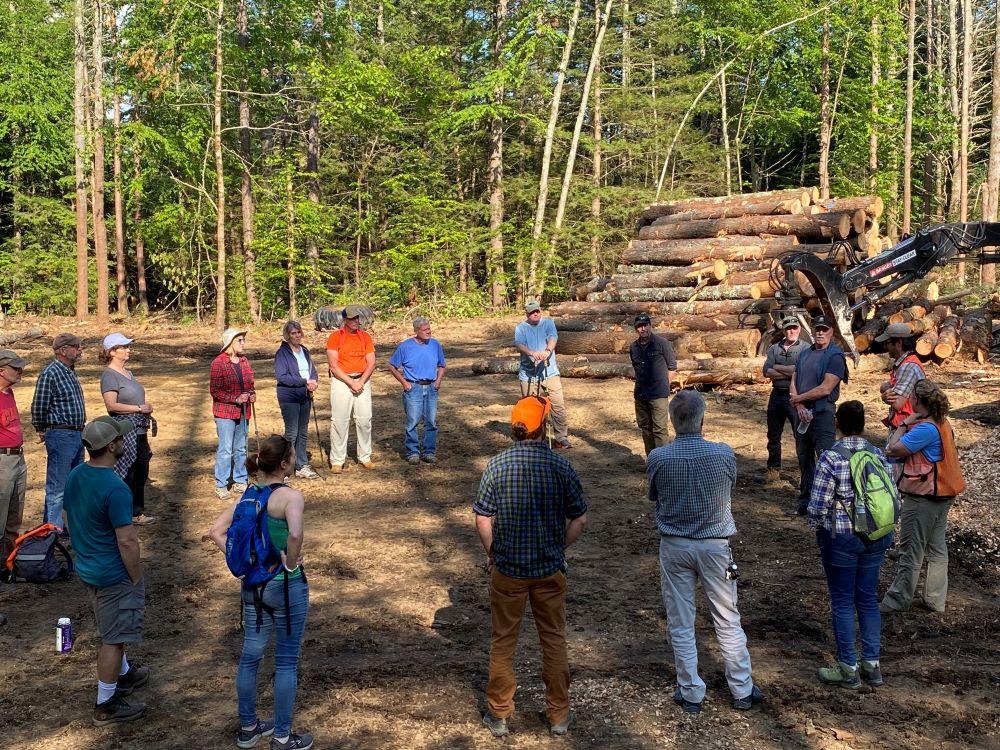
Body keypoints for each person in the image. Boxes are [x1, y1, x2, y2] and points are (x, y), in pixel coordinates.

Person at [473, 395, 588, 737]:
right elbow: (579, 518)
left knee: (503, 640)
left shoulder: (496, 465)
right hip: (549, 570)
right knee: (553, 639)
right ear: (543, 427)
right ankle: (558, 715)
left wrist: (492, 552)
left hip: (508, 571)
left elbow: (482, 516)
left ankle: (498, 714)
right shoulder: (561, 466)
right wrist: (559, 546)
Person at [647, 389, 762, 714]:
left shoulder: (658, 457)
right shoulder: (724, 454)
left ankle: (691, 692)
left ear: (671, 420)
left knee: (680, 621)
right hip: (715, 547)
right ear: (702, 420)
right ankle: (741, 688)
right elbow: (731, 485)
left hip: (675, 545)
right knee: (727, 617)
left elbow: (653, 496)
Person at [208, 435, 312, 750]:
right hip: (285, 586)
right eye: (292, 456)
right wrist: (290, 563)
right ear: (284, 463)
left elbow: (215, 531)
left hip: (252, 587)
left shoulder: (248, 495)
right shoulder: (291, 497)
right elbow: (294, 534)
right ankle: (281, 736)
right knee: (286, 662)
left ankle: (249, 727)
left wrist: (242, 566)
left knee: (250, 656)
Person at [64, 416, 150, 726]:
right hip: (113, 574)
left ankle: (124, 675)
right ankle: (106, 704)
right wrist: (136, 576)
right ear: (112, 446)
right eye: (121, 439)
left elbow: (66, 515)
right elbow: (127, 540)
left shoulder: (76, 475)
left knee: (112, 628)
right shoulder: (116, 488)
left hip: (88, 569)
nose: (126, 442)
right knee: (113, 639)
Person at [807, 401, 895, 689]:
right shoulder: (877, 453)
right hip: (876, 535)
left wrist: (816, 528)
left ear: (838, 424)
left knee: (843, 601)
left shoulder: (831, 457)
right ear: (862, 423)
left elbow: (818, 505)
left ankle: (848, 667)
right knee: (868, 599)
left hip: (842, 539)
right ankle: (872, 663)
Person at [881, 379, 965, 614]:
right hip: (943, 493)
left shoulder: (924, 429)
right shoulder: (942, 423)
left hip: (924, 497)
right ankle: (935, 599)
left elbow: (891, 449)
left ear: (918, 400)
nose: (908, 399)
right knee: (937, 548)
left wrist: (903, 424)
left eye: (912, 396)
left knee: (911, 548)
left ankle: (897, 599)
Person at [789, 315, 849, 516]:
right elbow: (794, 380)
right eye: (817, 329)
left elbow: (825, 388)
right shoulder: (805, 353)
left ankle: (827, 502)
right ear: (812, 330)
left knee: (825, 458)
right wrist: (798, 406)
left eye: (824, 329)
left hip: (822, 413)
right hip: (801, 414)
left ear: (831, 331)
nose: (820, 333)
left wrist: (799, 400)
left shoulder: (835, 356)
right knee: (804, 458)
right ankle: (806, 499)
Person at [31, 332, 87, 530]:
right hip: (61, 435)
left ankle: (64, 527)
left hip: (78, 434)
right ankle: (52, 532)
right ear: (63, 350)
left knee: (73, 484)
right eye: (76, 346)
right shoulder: (50, 373)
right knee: (58, 487)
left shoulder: (70, 371)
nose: (80, 350)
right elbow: (39, 405)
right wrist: (40, 428)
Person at [100, 333, 156, 525]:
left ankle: (136, 512)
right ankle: (120, 514)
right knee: (126, 473)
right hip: (124, 432)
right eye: (124, 347)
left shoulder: (128, 373)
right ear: (112, 352)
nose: (128, 349)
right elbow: (111, 406)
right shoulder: (109, 375)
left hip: (139, 430)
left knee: (141, 470)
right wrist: (139, 408)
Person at [387, 316, 446, 464]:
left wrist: (438, 380)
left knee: (431, 422)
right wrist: (404, 383)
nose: (429, 332)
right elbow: (392, 366)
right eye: (425, 330)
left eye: (429, 329)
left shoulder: (435, 344)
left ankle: (429, 451)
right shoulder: (405, 346)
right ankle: (412, 452)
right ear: (416, 331)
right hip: (414, 387)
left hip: (431, 387)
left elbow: (442, 365)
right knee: (413, 421)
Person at [326, 305, 376, 474]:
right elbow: (333, 365)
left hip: (362, 379)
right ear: (344, 320)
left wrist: (360, 381)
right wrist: (350, 382)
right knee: (340, 420)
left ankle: (365, 456)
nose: (356, 321)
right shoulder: (335, 337)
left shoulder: (365, 337)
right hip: (342, 381)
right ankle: (338, 459)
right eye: (353, 318)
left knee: (364, 419)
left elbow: (371, 362)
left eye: (358, 318)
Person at [513, 301, 569, 448]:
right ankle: (532, 438)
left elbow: (553, 338)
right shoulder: (521, 328)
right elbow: (519, 345)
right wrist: (532, 353)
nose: (535, 314)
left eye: (537, 311)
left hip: (549, 372)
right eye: (532, 312)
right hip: (529, 374)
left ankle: (561, 437)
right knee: (531, 408)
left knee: (558, 404)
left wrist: (547, 352)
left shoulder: (548, 323)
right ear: (527, 314)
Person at [211, 328, 256, 499]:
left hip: (244, 411)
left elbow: (250, 383)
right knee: (225, 449)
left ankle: (240, 480)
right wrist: (235, 399)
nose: (243, 343)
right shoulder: (218, 362)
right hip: (225, 412)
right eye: (240, 340)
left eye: (243, 340)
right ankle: (221, 484)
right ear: (230, 343)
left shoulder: (244, 361)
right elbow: (215, 391)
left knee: (241, 447)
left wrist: (252, 394)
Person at [762, 317, 809, 482]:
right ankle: (773, 469)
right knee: (773, 434)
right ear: (783, 330)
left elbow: (802, 371)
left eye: (795, 328)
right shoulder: (774, 348)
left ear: (799, 329)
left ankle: (806, 470)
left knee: (800, 434)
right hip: (776, 394)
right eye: (789, 328)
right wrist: (790, 371)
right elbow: (766, 371)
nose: (792, 331)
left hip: (796, 396)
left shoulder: (806, 348)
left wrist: (778, 367)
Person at [274, 321, 320, 480]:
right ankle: (284, 468)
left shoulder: (305, 351)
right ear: (287, 335)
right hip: (289, 397)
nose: (297, 335)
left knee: (303, 433)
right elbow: (282, 376)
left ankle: (301, 465)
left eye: (299, 332)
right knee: (291, 433)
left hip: (305, 396)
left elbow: (312, 371)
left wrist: (313, 381)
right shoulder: (282, 353)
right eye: (293, 333)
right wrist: (304, 382)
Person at [628, 313, 677, 455]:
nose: (642, 329)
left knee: (660, 429)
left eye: (645, 325)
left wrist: (664, 385)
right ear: (636, 329)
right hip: (641, 394)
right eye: (639, 327)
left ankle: (664, 461)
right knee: (645, 428)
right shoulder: (633, 347)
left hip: (658, 395)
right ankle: (652, 459)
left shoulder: (662, 344)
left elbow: (672, 367)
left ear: (650, 326)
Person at [0, 349, 28, 567]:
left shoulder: (9, 393)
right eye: (15, 368)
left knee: (14, 514)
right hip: (2, 461)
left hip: (17, 458)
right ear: (1, 370)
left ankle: (8, 562)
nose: (20, 372)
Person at [875, 322, 925, 429]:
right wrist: (886, 389)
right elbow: (886, 387)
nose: (885, 346)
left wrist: (885, 394)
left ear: (899, 343)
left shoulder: (908, 367)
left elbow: (897, 403)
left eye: (887, 343)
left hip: (908, 429)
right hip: (904, 427)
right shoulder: (903, 364)